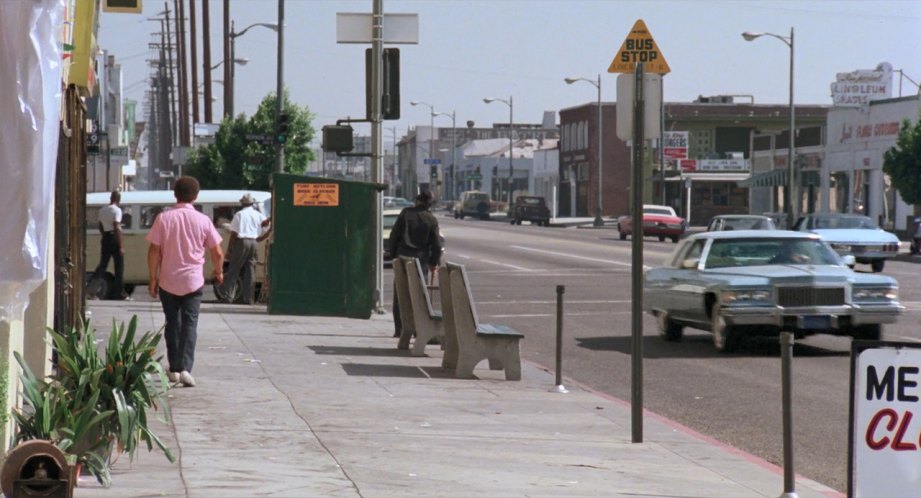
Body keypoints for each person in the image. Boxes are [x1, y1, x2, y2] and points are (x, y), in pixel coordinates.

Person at [146, 176, 224, 387]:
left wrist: (152, 278)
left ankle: (174, 367)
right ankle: (186, 369)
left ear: (175, 194)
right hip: (193, 281)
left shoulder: (163, 219)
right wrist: (219, 272)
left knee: (172, 323)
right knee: (190, 324)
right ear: (196, 196)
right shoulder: (203, 220)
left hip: (167, 281)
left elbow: (154, 250)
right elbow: (216, 251)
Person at [387, 191, 443, 338]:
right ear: (430, 204)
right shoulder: (431, 219)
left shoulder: (406, 213)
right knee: (420, 295)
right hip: (421, 260)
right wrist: (434, 263)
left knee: (400, 292)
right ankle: (419, 329)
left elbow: (394, 236)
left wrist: (393, 256)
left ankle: (400, 329)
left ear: (416, 200)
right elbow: (436, 245)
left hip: (403, 256)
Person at [216, 194, 269, 304]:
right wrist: (260, 238)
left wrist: (229, 250)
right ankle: (249, 299)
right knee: (251, 271)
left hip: (242, 242)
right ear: (252, 203)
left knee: (234, 270)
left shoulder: (239, 214)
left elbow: (234, 233)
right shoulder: (258, 215)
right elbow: (268, 227)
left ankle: (228, 296)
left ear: (242, 203)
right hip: (254, 242)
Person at [91, 190, 128, 300]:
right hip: (114, 238)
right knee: (119, 267)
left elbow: (100, 226)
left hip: (106, 237)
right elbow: (116, 227)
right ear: (118, 199)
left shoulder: (102, 210)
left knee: (103, 265)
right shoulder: (117, 211)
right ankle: (119, 293)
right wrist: (121, 245)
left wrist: (105, 235)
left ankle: (91, 287)